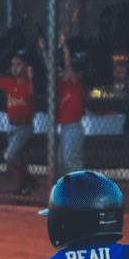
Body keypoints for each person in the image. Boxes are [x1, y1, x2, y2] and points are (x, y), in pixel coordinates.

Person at [0, 45, 39, 196]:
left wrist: (30, 76)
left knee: (9, 155)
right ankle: (25, 185)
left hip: (24, 127)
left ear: (26, 67)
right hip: (12, 126)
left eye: (18, 64)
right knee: (17, 158)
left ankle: (29, 180)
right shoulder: (10, 82)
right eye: (13, 65)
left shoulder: (27, 83)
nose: (15, 68)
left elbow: (31, 93)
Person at [40, 34, 87, 176]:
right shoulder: (60, 83)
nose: (65, 73)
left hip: (73, 127)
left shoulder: (77, 84)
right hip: (63, 128)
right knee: (60, 162)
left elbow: (69, 67)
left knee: (70, 161)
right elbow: (50, 68)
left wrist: (65, 47)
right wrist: (44, 50)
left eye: (69, 72)